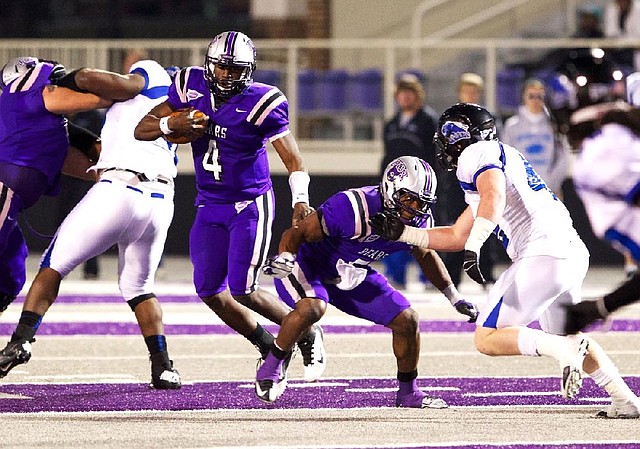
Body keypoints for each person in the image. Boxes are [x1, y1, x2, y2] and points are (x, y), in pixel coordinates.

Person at [370, 103, 640, 418]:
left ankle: (565, 351)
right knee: (566, 332)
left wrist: (476, 245)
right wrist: (405, 234)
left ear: (467, 135)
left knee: (487, 337)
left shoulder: (477, 154)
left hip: (541, 253)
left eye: (451, 133)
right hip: (569, 253)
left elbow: (493, 197)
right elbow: (458, 233)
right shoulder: (499, 159)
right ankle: (624, 399)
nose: (446, 141)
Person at [134, 31, 326, 382]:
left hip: (248, 203)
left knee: (243, 288)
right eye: (221, 68)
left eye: (234, 70)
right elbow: (141, 129)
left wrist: (301, 200)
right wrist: (168, 123)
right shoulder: (188, 85)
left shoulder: (263, 101)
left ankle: (305, 330)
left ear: (248, 70)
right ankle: (267, 341)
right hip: (209, 202)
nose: (225, 76)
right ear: (210, 65)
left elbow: (294, 161)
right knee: (209, 290)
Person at [0, 59, 183, 389]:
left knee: (50, 267)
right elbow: (90, 121)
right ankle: (163, 366)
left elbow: (88, 83)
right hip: (160, 199)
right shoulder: (170, 104)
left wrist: (78, 83)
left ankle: (20, 342)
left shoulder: (146, 79)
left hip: (120, 189)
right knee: (140, 288)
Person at [256, 156, 479, 405]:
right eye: (409, 199)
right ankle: (272, 365)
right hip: (310, 266)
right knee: (312, 307)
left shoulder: (419, 220)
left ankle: (408, 393)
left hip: (352, 272)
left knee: (407, 321)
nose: (414, 208)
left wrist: (453, 296)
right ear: (390, 188)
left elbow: (426, 254)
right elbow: (296, 233)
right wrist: (287, 256)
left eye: (421, 202)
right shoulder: (353, 206)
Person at [0, 57, 139, 319]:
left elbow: (74, 164)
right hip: (3, 190)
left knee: (11, 272)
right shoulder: (25, 97)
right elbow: (101, 99)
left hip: (10, 195)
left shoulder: (41, 128)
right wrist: (134, 91)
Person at [564, 101, 640, 333]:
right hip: (625, 220)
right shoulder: (602, 148)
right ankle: (591, 311)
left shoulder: (609, 142)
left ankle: (592, 311)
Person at [380, 73, 439, 290]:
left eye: (409, 92)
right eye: (401, 93)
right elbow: (387, 156)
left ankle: (430, 276)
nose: (405, 97)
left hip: (421, 188)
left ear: (417, 95)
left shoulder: (429, 121)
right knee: (393, 230)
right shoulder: (392, 124)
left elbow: (435, 155)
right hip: (397, 190)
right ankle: (396, 276)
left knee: (423, 231)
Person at [438, 73, 497, 287]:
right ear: (460, 92)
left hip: (482, 179)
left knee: (486, 223)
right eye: (467, 90)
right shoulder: (451, 119)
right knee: (456, 226)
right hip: (457, 182)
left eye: (474, 90)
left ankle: (487, 275)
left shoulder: (487, 118)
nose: (470, 94)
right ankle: (452, 277)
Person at [502, 78, 570, 198]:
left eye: (540, 96)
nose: (535, 100)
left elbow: (563, 156)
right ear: (524, 97)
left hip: (549, 189)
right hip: (520, 190)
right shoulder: (512, 126)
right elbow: (506, 156)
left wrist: (552, 183)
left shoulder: (553, 124)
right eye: (531, 96)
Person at [603, 0, 640, 70]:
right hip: (617, 50)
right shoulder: (612, 8)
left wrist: (624, 39)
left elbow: (637, 35)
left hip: (635, 51)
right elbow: (610, 33)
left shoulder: (638, 8)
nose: (621, 3)